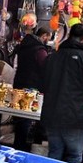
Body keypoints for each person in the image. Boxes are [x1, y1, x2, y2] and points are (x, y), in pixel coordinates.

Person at [39, 23, 83, 163]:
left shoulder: (52, 57)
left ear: (68, 36)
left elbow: (42, 84)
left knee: (54, 153)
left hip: (52, 113)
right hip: (76, 117)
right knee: (74, 156)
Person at [11, 14, 50, 150]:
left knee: (20, 122)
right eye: (48, 37)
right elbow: (45, 68)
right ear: (43, 36)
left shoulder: (23, 46)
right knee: (26, 121)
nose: (48, 40)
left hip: (19, 84)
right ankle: (24, 150)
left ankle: (17, 148)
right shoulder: (39, 50)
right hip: (31, 88)